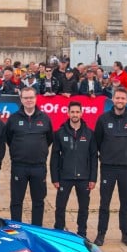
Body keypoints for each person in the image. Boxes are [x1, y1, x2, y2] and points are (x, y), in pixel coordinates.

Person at [92, 87, 127, 247]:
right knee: (104, 203)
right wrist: (108, 154)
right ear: (112, 100)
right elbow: (97, 141)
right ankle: (101, 234)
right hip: (108, 167)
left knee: (126, 203)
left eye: (123, 98)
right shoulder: (103, 119)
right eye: (117, 98)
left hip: (126, 168)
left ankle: (125, 233)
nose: (120, 101)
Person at [4, 87, 53, 226]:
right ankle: (16, 228)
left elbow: (49, 139)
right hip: (19, 166)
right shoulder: (13, 119)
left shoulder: (44, 118)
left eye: (31, 97)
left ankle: (36, 229)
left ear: (36, 98)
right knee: (16, 201)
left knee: (38, 201)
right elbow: (8, 138)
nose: (29, 100)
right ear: (21, 99)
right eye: (26, 98)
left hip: (39, 167)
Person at [49, 101, 97, 236]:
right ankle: (59, 231)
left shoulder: (89, 133)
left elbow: (94, 157)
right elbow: (54, 157)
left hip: (84, 177)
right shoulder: (59, 133)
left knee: (83, 208)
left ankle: (82, 233)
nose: (75, 114)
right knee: (60, 207)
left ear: (81, 113)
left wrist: (93, 178)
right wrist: (55, 177)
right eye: (72, 112)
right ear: (68, 113)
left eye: (77, 112)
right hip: (65, 176)